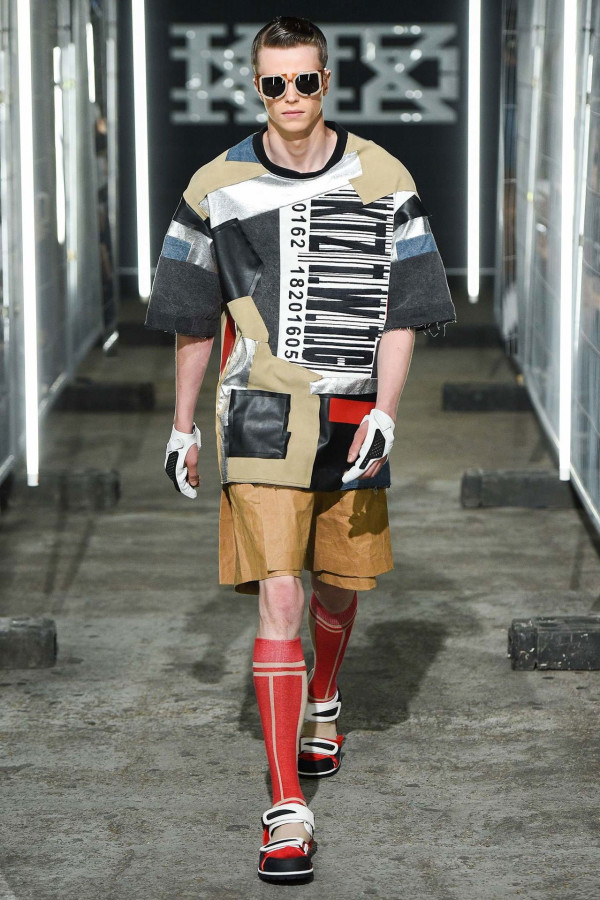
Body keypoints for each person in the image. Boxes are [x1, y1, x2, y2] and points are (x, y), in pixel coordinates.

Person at [145, 16, 455, 884]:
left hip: (354, 411)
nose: (290, 97)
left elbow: (404, 305)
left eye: (305, 81)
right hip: (258, 415)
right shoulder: (216, 186)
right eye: (274, 83)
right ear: (256, 88)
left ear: (327, 82)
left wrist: (388, 409)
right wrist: (182, 424)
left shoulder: (385, 177)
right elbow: (191, 315)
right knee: (279, 594)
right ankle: (286, 809)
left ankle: (325, 696)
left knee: (339, 580)